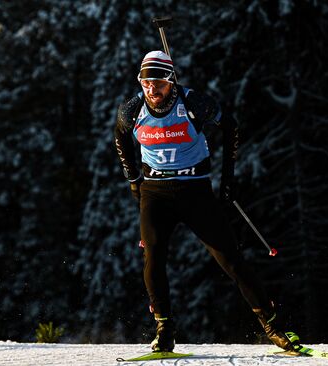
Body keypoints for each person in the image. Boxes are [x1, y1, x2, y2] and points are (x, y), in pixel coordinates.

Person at [114, 50, 301, 353]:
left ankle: (274, 326)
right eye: (147, 83)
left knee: (230, 259)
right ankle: (164, 329)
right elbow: (121, 135)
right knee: (154, 258)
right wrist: (133, 178)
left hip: (195, 190)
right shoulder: (132, 109)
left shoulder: (193, 103)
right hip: (155, 193)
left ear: (170, 80)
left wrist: (228, 179)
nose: (152, 90)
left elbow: (231, 126)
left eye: (159, 83)